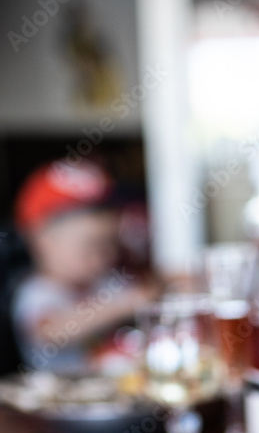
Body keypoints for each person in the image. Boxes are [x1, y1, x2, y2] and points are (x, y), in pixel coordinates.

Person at [11, 159, 156, 372]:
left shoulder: (106, 281)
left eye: (111, 243)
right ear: (43, 241)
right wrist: (124, 304)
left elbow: (147, 290)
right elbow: (51, 332)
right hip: (57, 401)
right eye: (91, 246)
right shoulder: (38, 292)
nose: (105, 255)